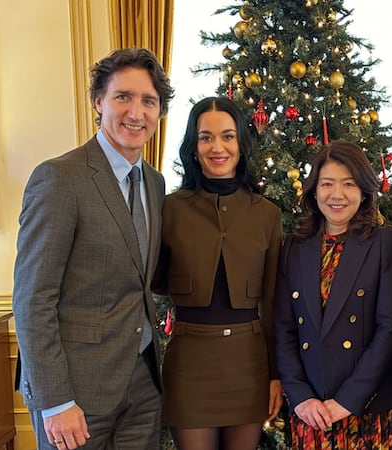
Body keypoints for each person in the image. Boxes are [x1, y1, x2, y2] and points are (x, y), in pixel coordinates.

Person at [13, 47, 173, 450]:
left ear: (159, 112)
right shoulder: (59, 178)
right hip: (75, 393)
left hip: (142, 385)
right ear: (99, 101)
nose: (136, 112)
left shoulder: (155, 184)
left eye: (148, 101)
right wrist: (55, 401)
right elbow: (33, 298)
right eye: (124, 97)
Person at [152, 96, 283, 450]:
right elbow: (152, 280)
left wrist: (274, 374)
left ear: (241, 143)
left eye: (227, 136)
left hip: (249, 363)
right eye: (206, 137)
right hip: (190, 363)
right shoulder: (170, 209)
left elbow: (272, 303)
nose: (217, 147)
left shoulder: (267, 214)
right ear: (194, 147)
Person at [274, 140, 392, 449]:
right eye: (327, 184)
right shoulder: (295, 247)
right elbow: (284, 330)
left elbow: (390, 329)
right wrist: (301, 397)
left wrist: (347, 401)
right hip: (313, 414)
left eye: (348, 184)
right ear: (313, 191)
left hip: (370, 409)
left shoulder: (383, 242)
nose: (337, 195)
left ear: (363, 190)